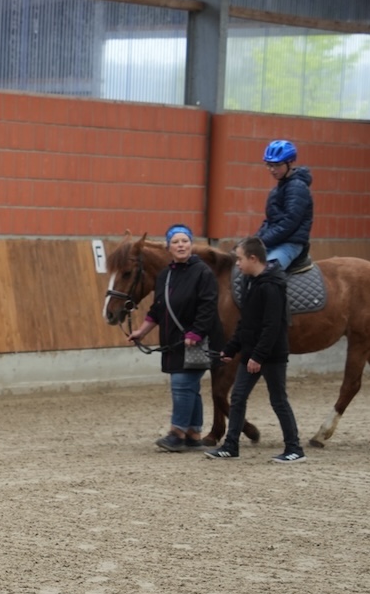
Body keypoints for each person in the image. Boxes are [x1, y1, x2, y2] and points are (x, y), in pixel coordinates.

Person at [204, 237, 304, 464]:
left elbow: (272, 326)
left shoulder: (271, 287)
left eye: (239, 259)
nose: (237, 264)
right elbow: (246, 323)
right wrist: (231, 349)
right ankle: (231, 445)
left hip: (271, 355)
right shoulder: (251, 283)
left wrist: (258, 356)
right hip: (251, 354)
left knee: (278, 400)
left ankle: (294, 448)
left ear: (253, 258)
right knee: (238, 397)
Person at [125, 224, 221, 452]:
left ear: (191, 244)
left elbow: (208, 306)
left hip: (194, 340)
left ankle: (176, 432)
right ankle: (193, 433)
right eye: (176, 242)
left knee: (182, 384)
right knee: (190, 387)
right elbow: (158, 308)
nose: (181, 245)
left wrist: (196, 332)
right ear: (169, 247)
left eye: (184, 241)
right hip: (173, 340)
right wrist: (142, 331)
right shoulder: (165, 275)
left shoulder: (203, 272)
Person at [256, 139, 313, 271]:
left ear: (290, 162)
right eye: (269, 165)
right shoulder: (279, 188)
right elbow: (270, 221)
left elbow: (289, 222)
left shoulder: (297, 187)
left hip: (290, 243)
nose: (272, 170)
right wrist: (255, 240)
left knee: (267, 273)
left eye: (277, 165)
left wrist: (263, 242)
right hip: (276, 241)